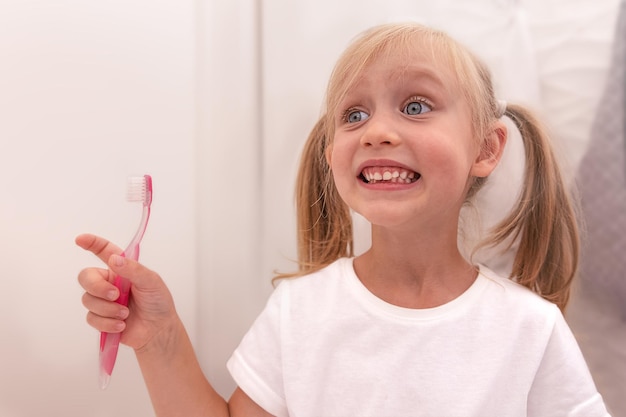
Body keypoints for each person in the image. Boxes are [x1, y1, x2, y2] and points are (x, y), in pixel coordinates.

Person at [77, 22, 611, 416]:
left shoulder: (530, 331)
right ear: (332, 153)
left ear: (486, 147)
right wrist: (159, 338)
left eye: (417, 106)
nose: (376, 130)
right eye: (354, 115)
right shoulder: (300, 312)